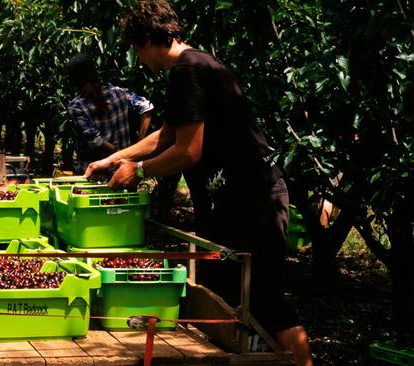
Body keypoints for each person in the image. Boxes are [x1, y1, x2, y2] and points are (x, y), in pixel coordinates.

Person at [84, 1, 314, 365]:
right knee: (223, 290)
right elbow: (166, 135)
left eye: (137, 49)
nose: (139, 60)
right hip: (238, 196)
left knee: (266, 300)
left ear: (147, 40)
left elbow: (187, 152)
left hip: (254, 197)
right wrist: (115, 159)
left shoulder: (186, 72)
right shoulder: (198, 63)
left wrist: (139, 171)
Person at [66, 53, 154, 174]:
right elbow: (147, 107)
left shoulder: (76, 106)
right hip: (122, 169)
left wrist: (120, 152)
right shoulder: (119, 93)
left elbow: (95, 140)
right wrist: (137, 148)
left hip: (94, 171)